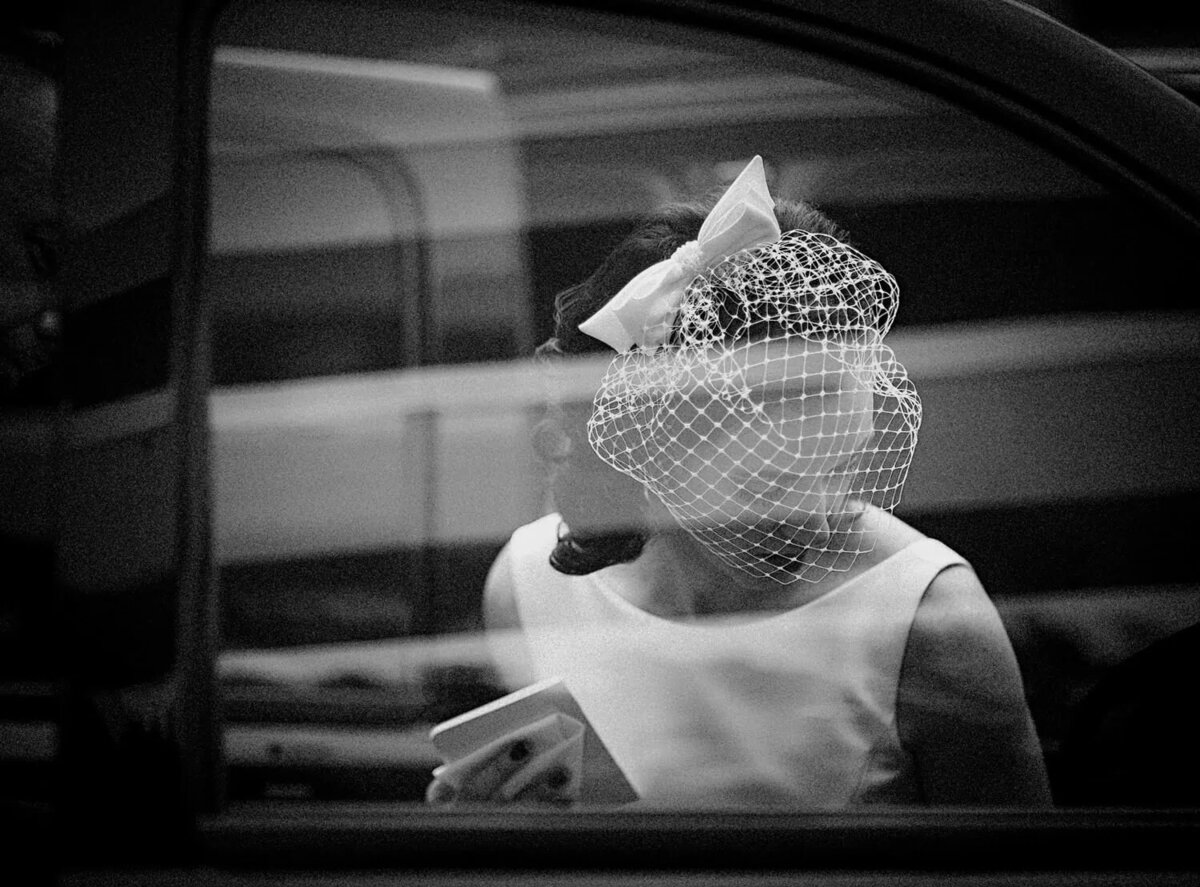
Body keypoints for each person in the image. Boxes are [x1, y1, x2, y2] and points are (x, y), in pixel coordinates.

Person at [427, 156, 1051, 808]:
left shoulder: (930, 619)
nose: (809, 505)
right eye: (761, 483)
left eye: (837, 462)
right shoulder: (529, 587)